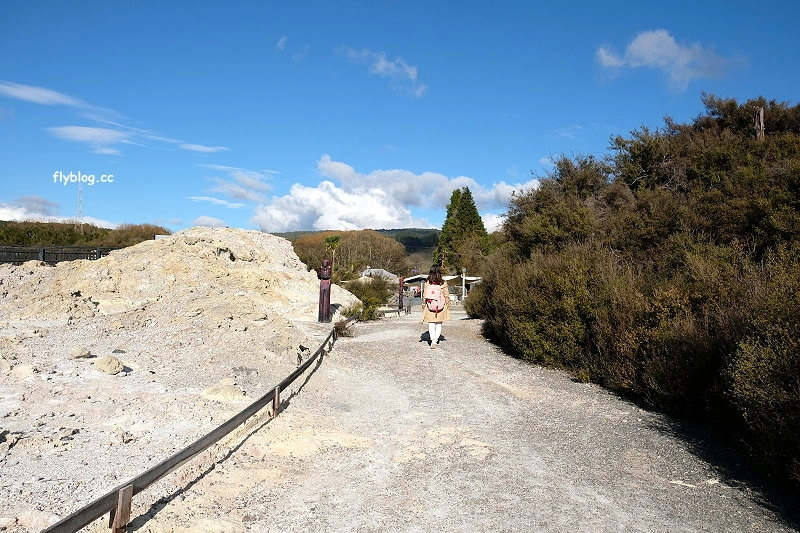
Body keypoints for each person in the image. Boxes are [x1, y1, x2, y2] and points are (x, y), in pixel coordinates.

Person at [421, 264, 450, 348]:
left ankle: (432, 339)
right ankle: (435, 341)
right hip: (440, 306)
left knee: (431, 323)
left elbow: (425, 294)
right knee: (438, 324)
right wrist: (447, 304)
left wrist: (423, 304)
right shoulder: (443, 282)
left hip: (430, 305)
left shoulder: (428, 282)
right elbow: (446, 294)